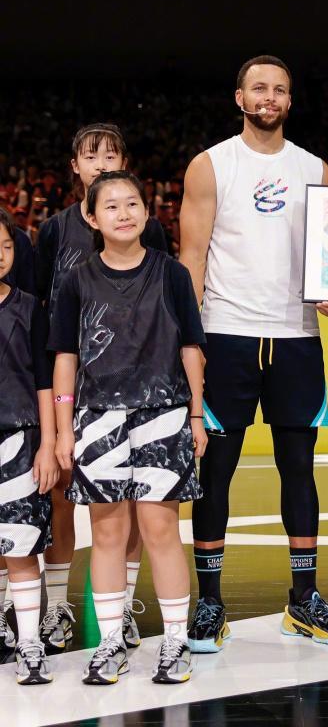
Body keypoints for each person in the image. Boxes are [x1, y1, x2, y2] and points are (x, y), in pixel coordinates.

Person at [179, 55, 328, 652]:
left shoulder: (316, 169)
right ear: (239, 97)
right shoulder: (210, 165)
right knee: (216, 472)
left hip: (297, 337)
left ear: (290, 100)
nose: (269, 97)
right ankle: (209, 602)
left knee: (299, 470)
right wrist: (189, 342)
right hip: (226, 335)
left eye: (279, 89)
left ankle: (304, 600)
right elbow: (192, 257)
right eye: (259, 88)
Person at [49, 171, 206, 685]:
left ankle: (176, 643)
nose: (124, 212)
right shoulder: (76, 280)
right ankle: (110, 642)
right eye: (111, 206)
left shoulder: (172, 274)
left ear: (147, 210)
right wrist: (66, 428)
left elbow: (191, 348)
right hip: (97, 420)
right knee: (107, 533)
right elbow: (66, 358)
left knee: (161, 531)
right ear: (92, 218)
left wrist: (197, 415)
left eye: (132, 203)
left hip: (164, 415)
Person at [35, 123, 167, 652]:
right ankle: (58, 608)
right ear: (75, 167)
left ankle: (125, 606)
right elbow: (39, 309)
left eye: (111, 155)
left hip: (133, 387)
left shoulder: (146, 230)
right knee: (61, 496)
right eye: (91, 156)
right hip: (72, 383)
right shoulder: (54, 231)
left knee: (128, 503)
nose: (102, 163)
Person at [0, 207, 59, 684]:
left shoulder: (29, 308)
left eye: (5, 246)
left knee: (21, 548)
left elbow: (45, 383)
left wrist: (48, 443)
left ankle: (30, 644)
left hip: (20, 442)